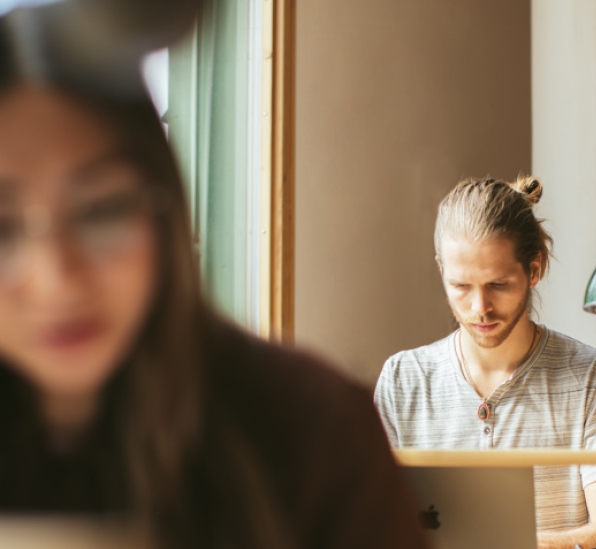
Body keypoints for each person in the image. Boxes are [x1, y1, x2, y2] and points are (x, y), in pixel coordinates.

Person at [0, 40, 429, 549]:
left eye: (101, 211)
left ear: (166, 211)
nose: (57, 278)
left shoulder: (313, 427)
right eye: (3, 228)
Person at [374, 175, 596, 549]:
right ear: (442, 270)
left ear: (533, 270)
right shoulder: (403, 379)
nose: (479, 308)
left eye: (497, 285)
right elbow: (373, 523)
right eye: (461, 286)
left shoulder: (594, 378)